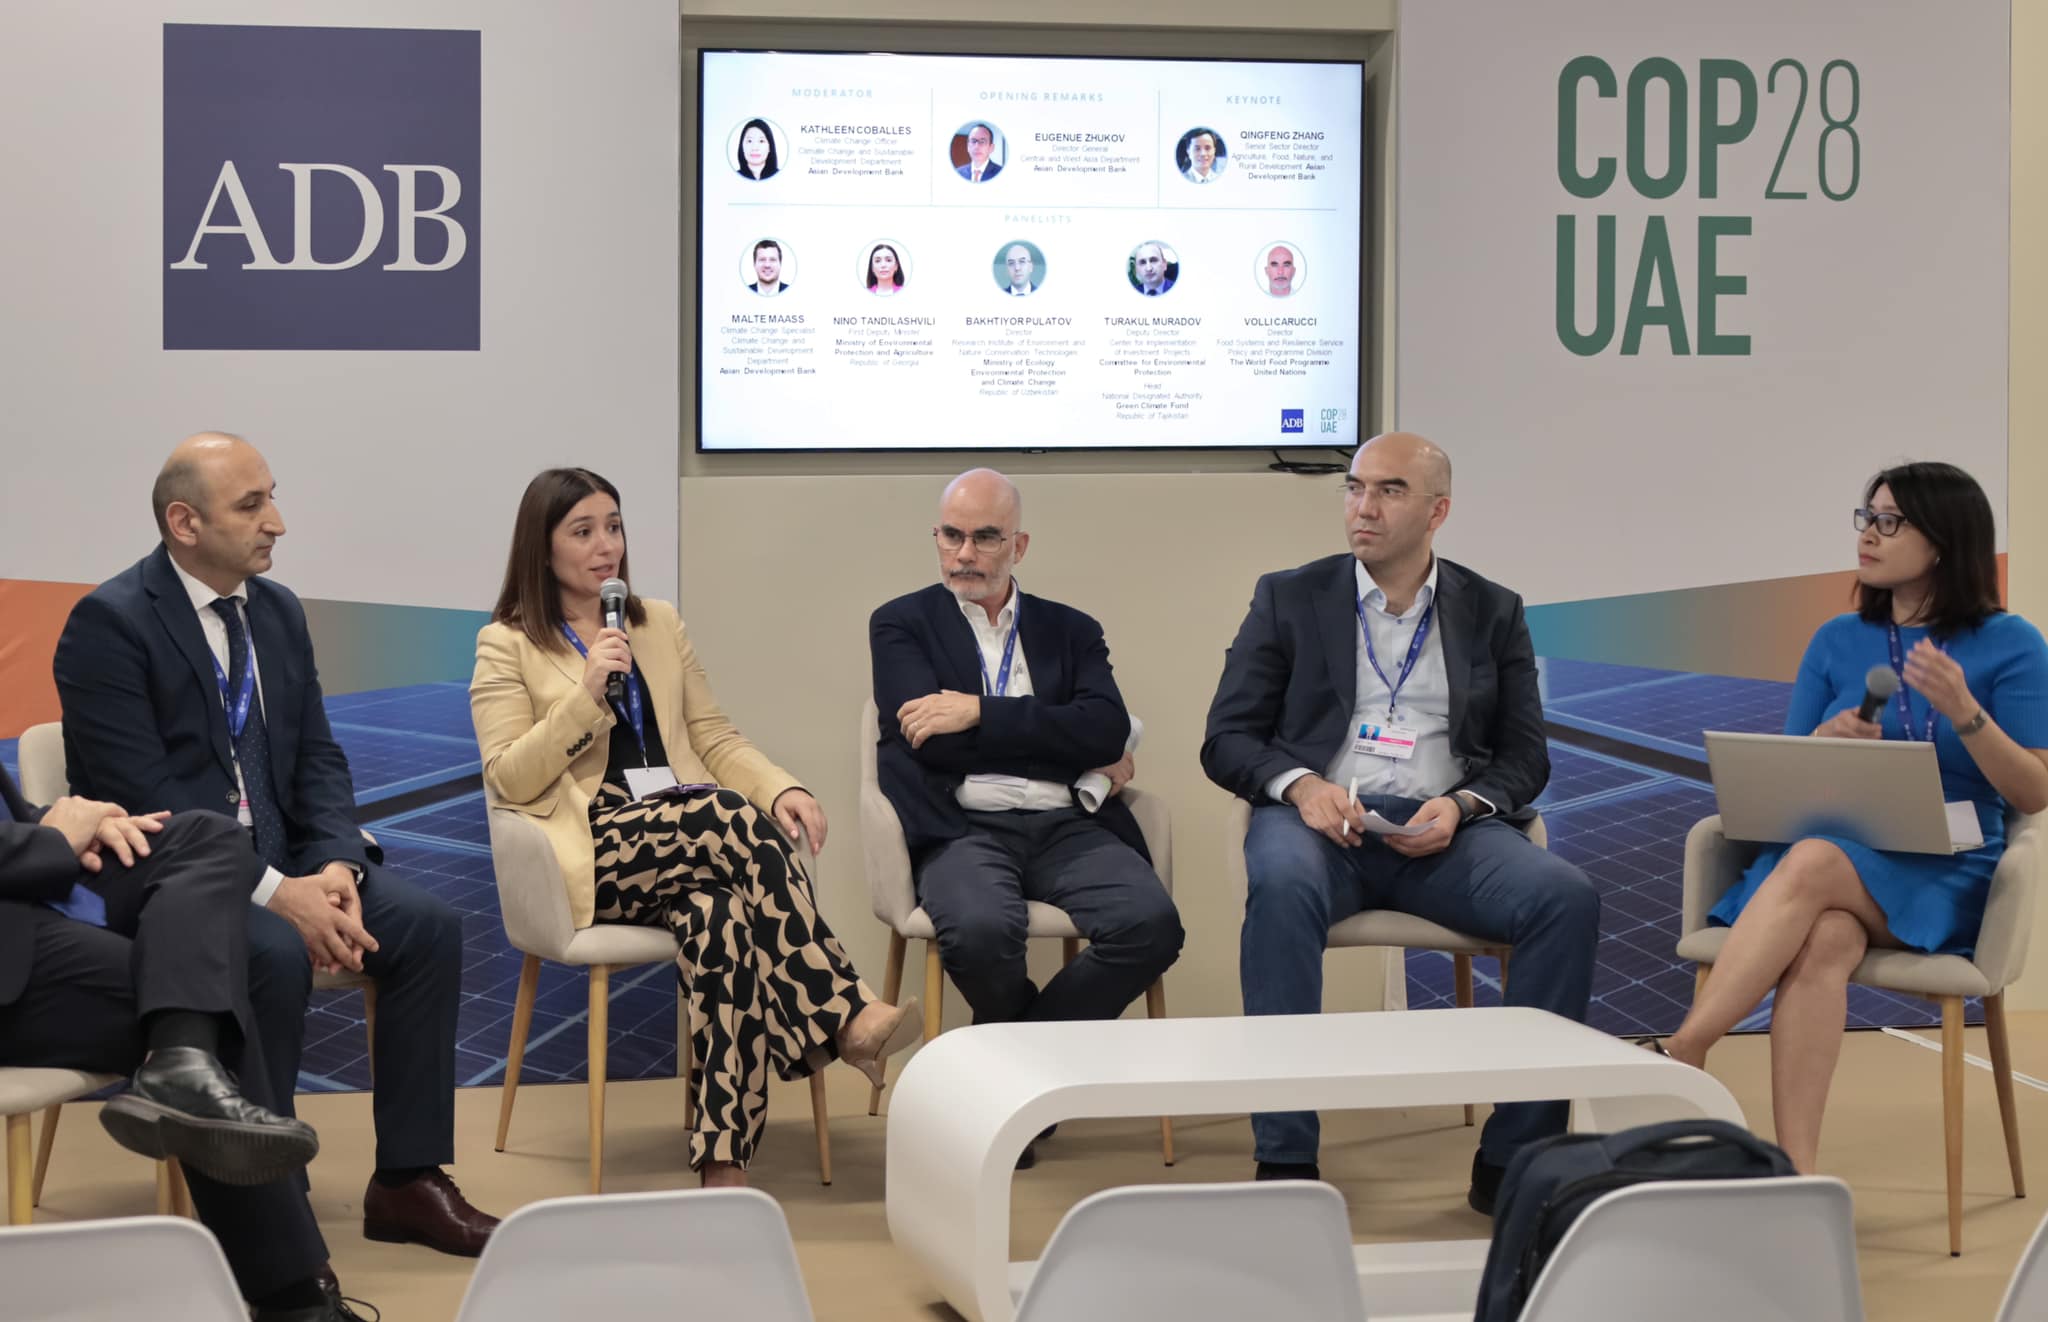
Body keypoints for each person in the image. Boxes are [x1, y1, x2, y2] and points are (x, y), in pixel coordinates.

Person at [53, 432, 499, 1258]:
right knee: (273, 949)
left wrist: (334, 865)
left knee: (426, 928)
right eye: (252, 505)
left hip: (292, 862)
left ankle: (407, 1181)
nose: (278, 523)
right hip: (172, 882)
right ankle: (268, 1206)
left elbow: (316, 758)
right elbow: (147, 799)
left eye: (272, 497)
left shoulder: (279, 611)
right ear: (184, 523)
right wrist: (275, 893)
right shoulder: (109, 624)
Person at [470, 468, 921, 1187]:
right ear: (542, 548)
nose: (606, 546)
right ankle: (844, 1012)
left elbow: (712, 736)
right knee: (723, 814)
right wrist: (585, 698)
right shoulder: (506, 643)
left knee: (718, 917)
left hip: (687, 840)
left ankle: (723, 1160)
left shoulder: (657, 623)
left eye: (613, 526)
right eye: (583, 532)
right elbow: (509, 778)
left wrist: (781, 786)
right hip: (593, 850)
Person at [1201, 432, 1600, 1212]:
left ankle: (1514, 1162)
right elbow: (1228, 738)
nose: (1364, 507)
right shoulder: (1289, 596)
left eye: (1388, 491)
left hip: (1443, 832)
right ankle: (1286, 1158)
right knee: (1279, 887)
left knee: (1565, 898)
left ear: (1437, 511)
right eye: (1355, 488)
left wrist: (1462, 806)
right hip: (1320, 826)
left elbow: (1526, 757)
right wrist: (1302, 786)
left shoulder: (1492, 609)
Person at [1652, 462, 2048, 1175]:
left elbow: (2034, 792)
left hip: (1947, 868)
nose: (1869, 535)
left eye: (1890, 522)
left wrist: (1966, 713)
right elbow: (1782, 777)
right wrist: (1822, 740)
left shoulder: (2012, 643)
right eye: (1867, 517)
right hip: (1833, 865)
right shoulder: (1837, 639)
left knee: (1813, 862)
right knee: (1826, 938)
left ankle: (1685, 1047)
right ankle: (1797, 1174)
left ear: (1945, 540)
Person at [870, 469, 1185, 1170]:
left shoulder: (1071, 630)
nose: (964, 554)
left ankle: (1010, 1067)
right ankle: (1027, 1071)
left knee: (1151, 925)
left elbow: (1106, 730)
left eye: (985, 537)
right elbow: (931, 742)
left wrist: (977, 711)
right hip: (963, 826)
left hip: (1068, 825)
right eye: (952, 536)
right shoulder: (900, 622)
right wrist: (1060, 735)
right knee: (982, 930)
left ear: (1019, 545)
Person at [0, 769, 360, 1321]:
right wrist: (51, 841)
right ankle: (292, 1300)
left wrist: (72, 824)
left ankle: (180, 1063)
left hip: (23, 882)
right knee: (195, 989)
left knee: (207, 834)